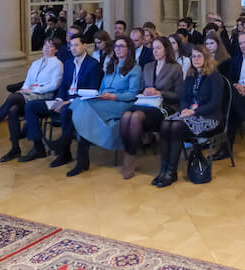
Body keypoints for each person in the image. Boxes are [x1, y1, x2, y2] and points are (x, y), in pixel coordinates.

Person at [63, 35, 141, 176]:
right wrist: (98, 95)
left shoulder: (135, 69)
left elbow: (133, 94)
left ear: (129, 49)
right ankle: (80, 160)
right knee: (80, 104)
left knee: (82, 107)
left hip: (121, 103)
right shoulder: (111, 65)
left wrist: (114, 96)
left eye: (121, 46)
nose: (118, 49)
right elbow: (102, 88)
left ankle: (65, 142)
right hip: (104, 100)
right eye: (116, 46)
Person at [22, 34, 102, 164]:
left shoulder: (93, 65)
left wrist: (67, 102)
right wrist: (59, 100)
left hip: (80, 102)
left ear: (85, 46)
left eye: (76, 45)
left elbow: (92, 90)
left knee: (65, 111)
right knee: (31, 106)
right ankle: (38, 148)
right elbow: (63, 86)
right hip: (63, 101)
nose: (73, 48)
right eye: (71, 45)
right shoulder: (68, 63)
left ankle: (65, 153)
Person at [153, 43, 224, 187]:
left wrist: (195, 111)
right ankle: (163, 170)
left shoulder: (214, 76)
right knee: (165, 124)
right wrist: (185, 109)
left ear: (206, 57)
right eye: (193, 56)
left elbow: (215, 103)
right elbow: (184, 98)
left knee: (176, 127)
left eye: (199, 56)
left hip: (208, 117)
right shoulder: (191, 75)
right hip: (190, 114)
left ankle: (171, 172)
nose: (195, 59)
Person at [0, 38, 63, 161]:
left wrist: (32, 90)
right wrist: (24, 90)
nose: (46, 48)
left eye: (50, 46)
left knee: (13, 97)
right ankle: (15, 148)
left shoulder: (57, 64)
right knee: (13, 109)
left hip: (45, 96)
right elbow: (27, 82)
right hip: (30, 94)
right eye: (45, 45)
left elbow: (54, 85)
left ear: (56, 50)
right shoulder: (36, 63)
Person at [117, 35, 182, 179]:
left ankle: (130, 159)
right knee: (126, 115)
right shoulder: (148, 66)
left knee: (136, 117)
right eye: (153, 49)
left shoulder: (175, 68)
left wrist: (160, 92)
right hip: (146, 103)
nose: (155, 51)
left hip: (165, 106)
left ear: (166, 49)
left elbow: (179, 95)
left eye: (158, 48)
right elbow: (141, 88)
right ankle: (127, 154)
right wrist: (145, 91)